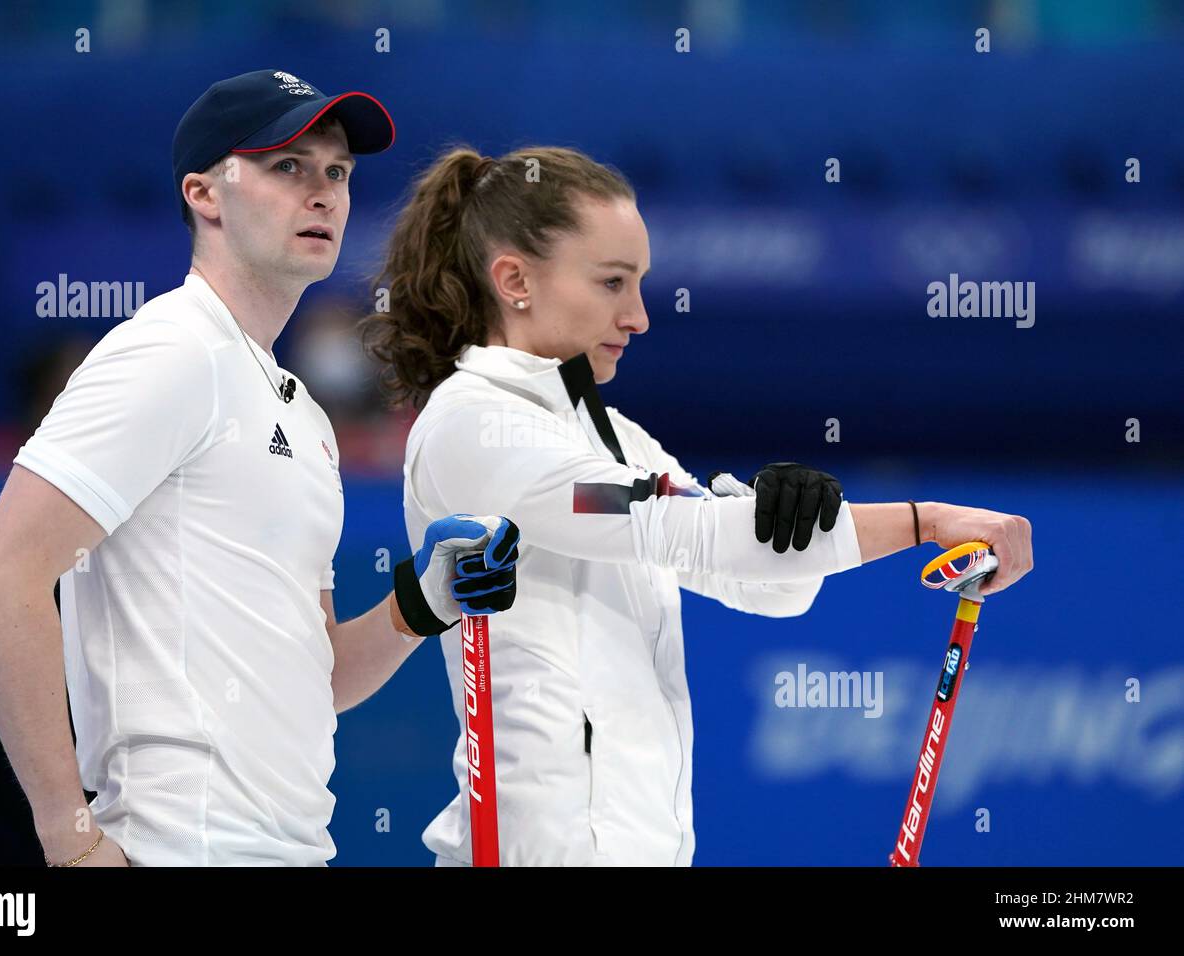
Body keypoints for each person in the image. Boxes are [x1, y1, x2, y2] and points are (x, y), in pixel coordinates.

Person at [361, 145, 1034, 866]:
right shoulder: (478, 427)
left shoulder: (617, 442)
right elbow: (674, 524)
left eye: (641, 284)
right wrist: (924, 521)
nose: (640, 316)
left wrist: (788, 518)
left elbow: (763, 584)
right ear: (515, 279)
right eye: (613, 283)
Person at [0, 71, 519, 867]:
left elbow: (315, 677)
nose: (322, 192)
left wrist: (426, 599)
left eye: (337, 173)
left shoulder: (304, 415)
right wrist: (72, 839)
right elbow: (2, 578)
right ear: (205, 194)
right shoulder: (170, 350)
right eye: (287, 166)